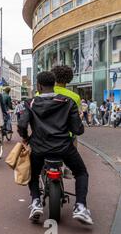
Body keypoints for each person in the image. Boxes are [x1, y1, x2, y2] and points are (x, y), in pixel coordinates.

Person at [18, 72, 93, 225]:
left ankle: (36, 202)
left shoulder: (30, 103)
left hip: (39, 148)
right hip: (64, 148)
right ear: (54, 85)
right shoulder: (68, 102)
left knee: (33, 173)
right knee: (80, 172)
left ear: (38, 86)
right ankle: (80, 206)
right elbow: (78, 129)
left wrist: (26, 137)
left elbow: (21, 125)